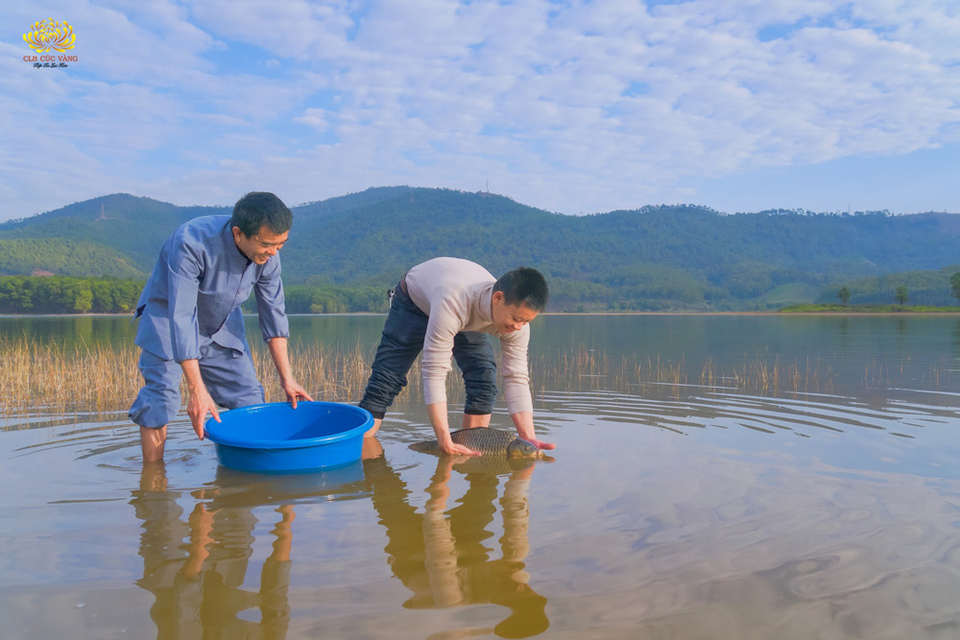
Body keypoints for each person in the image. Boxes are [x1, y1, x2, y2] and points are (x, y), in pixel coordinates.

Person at [129, 191, 313, 462]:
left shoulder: (269, 257)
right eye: (266, 244)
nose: (273, 252)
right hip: (168, 322)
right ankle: (155, 485)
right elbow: (181, 316)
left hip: (220, 324)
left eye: (281, 244)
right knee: (161, 400)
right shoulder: (192, 242)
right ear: (238, 234)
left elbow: (274, 316)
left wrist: (288, 379)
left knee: (250, 401)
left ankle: (248, 481)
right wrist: (197, 389)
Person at [359, 257, 554, 455]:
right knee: (384, 382)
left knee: (483, 380)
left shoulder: (517, 324)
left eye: (526, 321)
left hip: (464, 312)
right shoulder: (454, 301)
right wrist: (443, 439)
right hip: (415, 304)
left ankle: (472, 457)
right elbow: (434, 372)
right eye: (516, 319)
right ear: (498, 299)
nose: (518, 327)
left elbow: (516, 377)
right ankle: (356, 451)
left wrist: (528, 440)